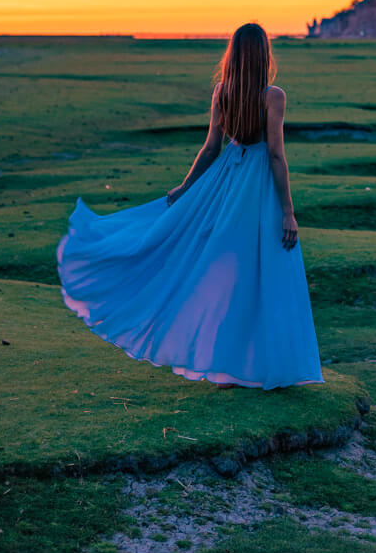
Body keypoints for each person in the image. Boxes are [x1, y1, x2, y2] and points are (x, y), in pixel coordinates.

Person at [56, 22, 324, 389]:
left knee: (232, 272)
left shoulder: (222, 92)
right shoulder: (273, 96)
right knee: (264, 271)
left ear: (233, 54)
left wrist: (187, 187)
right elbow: (276, 156)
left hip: (229, 183)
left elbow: (212, 147)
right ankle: (260, 366)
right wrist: (288, 212)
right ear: (264, 54)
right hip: (257, 187)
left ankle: (230, 367)